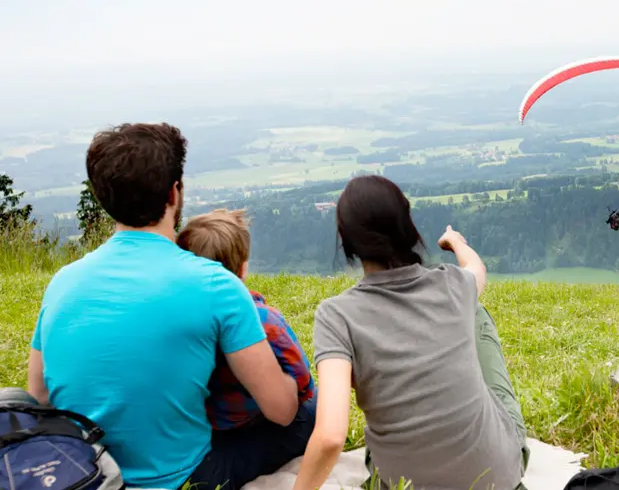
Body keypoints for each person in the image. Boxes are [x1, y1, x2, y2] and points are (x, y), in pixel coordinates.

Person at [27, 123, 300, 490]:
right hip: (186, 477)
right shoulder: (217, 285)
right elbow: (281, 412)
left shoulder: (62, 281)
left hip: (86, 473)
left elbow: (38, 396)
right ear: (174, 193)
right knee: (309, 414)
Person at [293, 175, 530, 490]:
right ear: (407, 227)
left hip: (402, 483)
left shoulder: (336, 316)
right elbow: (477, 270)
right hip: (498, 478)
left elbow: (331, 435)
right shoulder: (453, 285)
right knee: (476, 313)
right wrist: (456, 242)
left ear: (347, 241)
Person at [176, 208, 317, 482]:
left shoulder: (169, 319)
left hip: (190, 442)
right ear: (242, 269)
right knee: (317, 406)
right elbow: (302, 387)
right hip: (235, 443)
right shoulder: (265, 322)